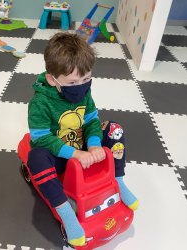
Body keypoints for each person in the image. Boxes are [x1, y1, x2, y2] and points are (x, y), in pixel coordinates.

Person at [27, 32, 139, 247]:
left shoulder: (84, 92)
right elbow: (41, 138)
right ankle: (66, 212)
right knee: (36, 157)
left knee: (114, 129)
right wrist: (76, 154)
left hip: (84, 145)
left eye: (86, 79)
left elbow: (91, 120)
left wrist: (95, 144)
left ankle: (119, 180)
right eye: (73, 82)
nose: (81, 85)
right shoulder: (40, 103)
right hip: (59, 153)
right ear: (52, 79)